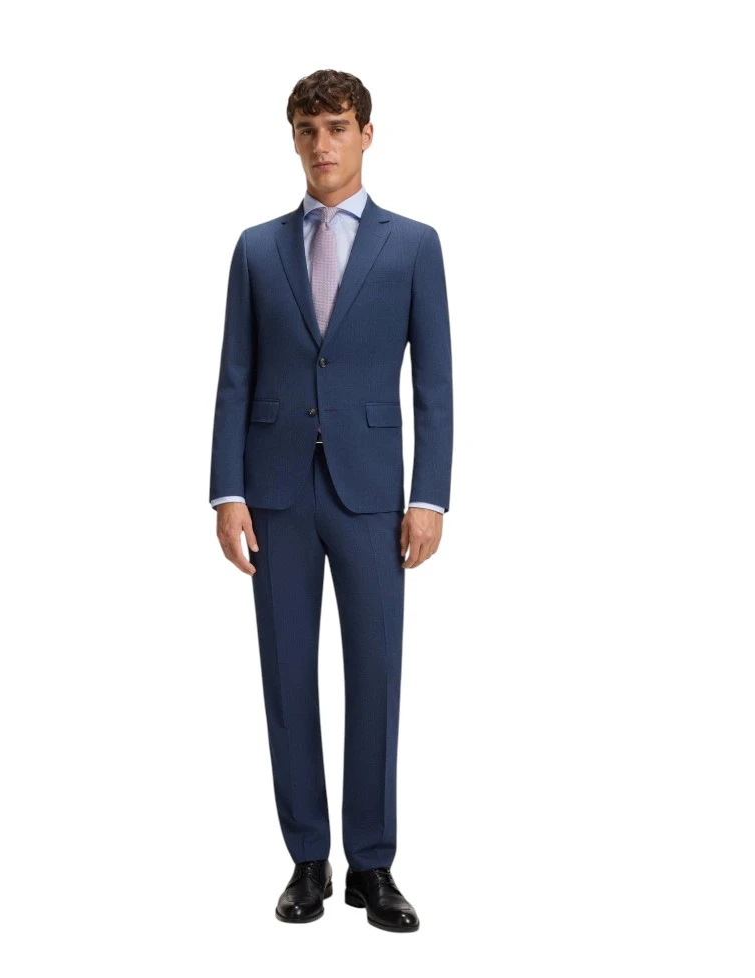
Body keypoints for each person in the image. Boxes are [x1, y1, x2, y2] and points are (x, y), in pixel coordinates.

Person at [208, 68, 453, 933]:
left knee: (375, 676)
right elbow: (234, 377)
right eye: (308, 130)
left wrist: (429, 496)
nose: (322, 145)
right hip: (274, 493)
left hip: (372, 494)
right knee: (286, 675)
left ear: (367, 135)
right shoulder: (255, 248)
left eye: (338, 128)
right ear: (294, 139)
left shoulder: (413, 245)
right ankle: (308, 860)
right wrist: (226, 491)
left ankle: (372, 866)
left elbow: (435, 386)